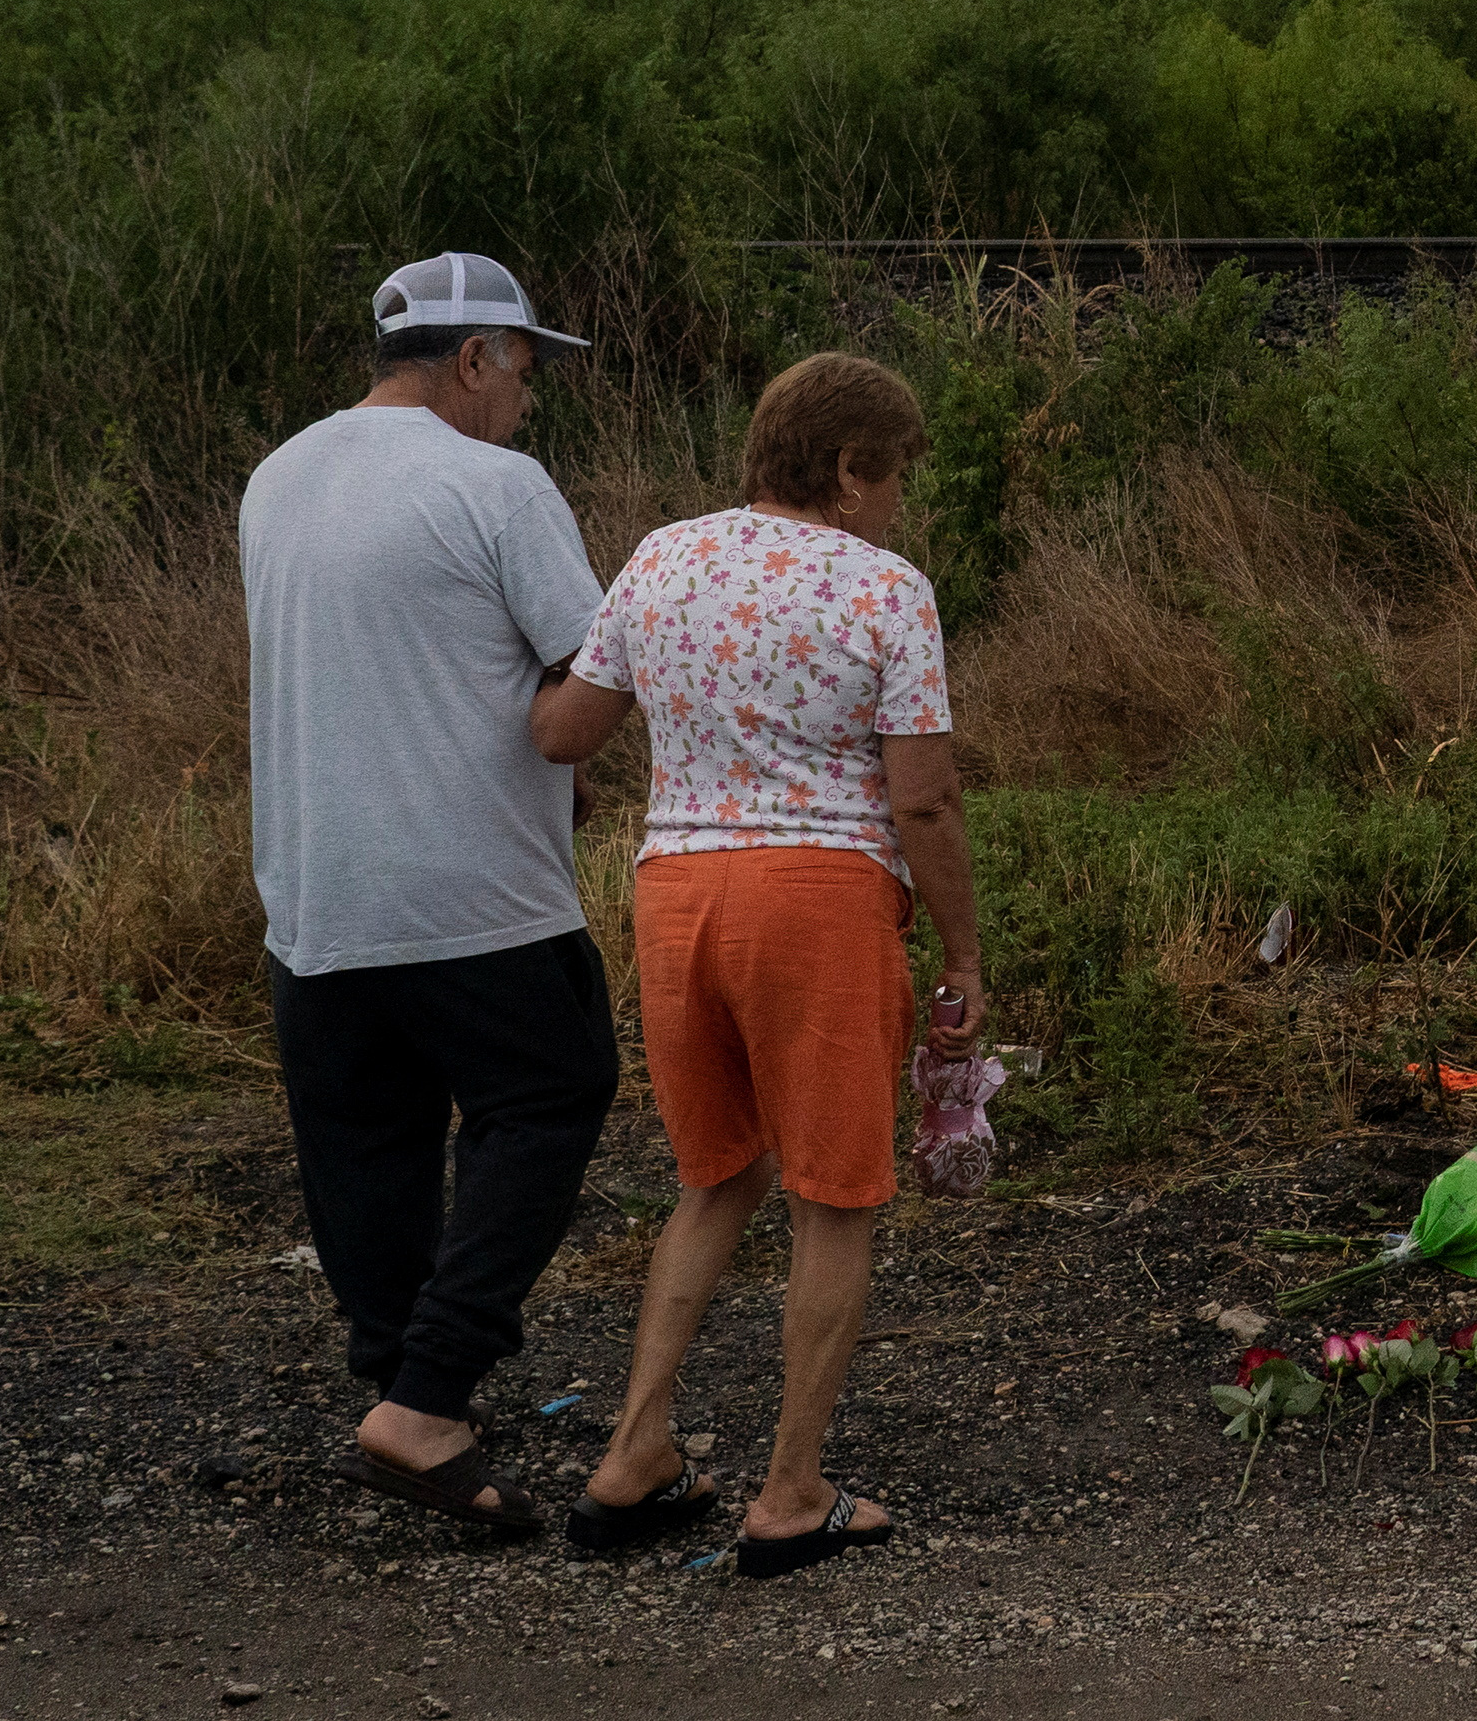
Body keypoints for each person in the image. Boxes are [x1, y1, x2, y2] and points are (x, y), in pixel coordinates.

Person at [535, 351, 984, 1579]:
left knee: (715, 1176)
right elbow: (924, 800)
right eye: (894, 476)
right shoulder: (886, 589)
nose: (897, 501)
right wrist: (963, 951)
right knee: (834, 1197)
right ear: (848, 469)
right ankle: (790, 1493)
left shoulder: (661, 557)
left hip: (678, 898)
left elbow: (566, 730)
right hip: (819, 902)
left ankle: (634, 1453)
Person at [241, 251, 615, 1538]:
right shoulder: (498, 484)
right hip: (473, 890)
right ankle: (427, 1401)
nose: (529, 397)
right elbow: (590, 668)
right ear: (471, 359)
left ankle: (402, 1390)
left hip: (315, 891)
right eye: (524, 368)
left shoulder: (277, 476)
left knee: (368, 1136)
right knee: (552, 1092)